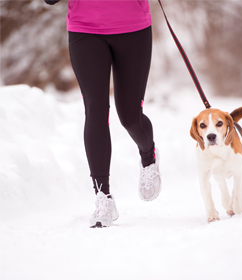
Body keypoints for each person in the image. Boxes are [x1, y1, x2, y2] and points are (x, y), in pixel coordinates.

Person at [44, 0, 162, 228]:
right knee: (95, 110)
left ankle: (149, 156)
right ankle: (103, 196)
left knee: (130, 116)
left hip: (133, 27)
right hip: (85, 30)